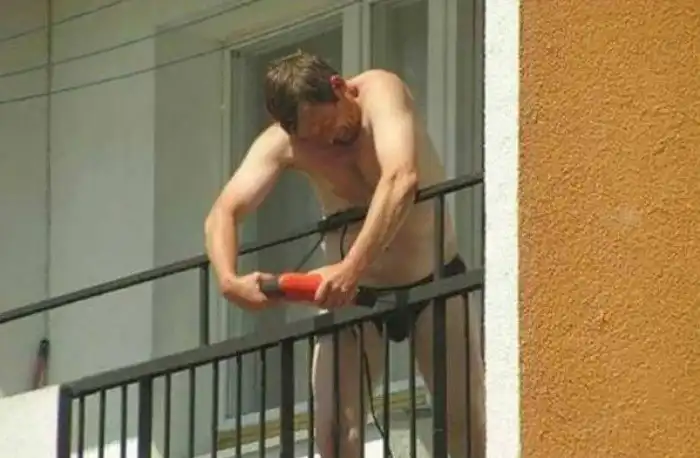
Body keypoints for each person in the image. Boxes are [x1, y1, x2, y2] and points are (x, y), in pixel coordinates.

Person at [204, 50, 485, 458]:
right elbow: (224, 212)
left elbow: (401, 179)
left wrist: (351, 266)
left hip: (434, 279)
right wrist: (228, 280)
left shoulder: (382, 92)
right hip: (354, 296)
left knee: (465, 425)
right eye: (310, 137)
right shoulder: (288, 143)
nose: (325, 141)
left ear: (339, 88)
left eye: (324, 124)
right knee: (334, 434)